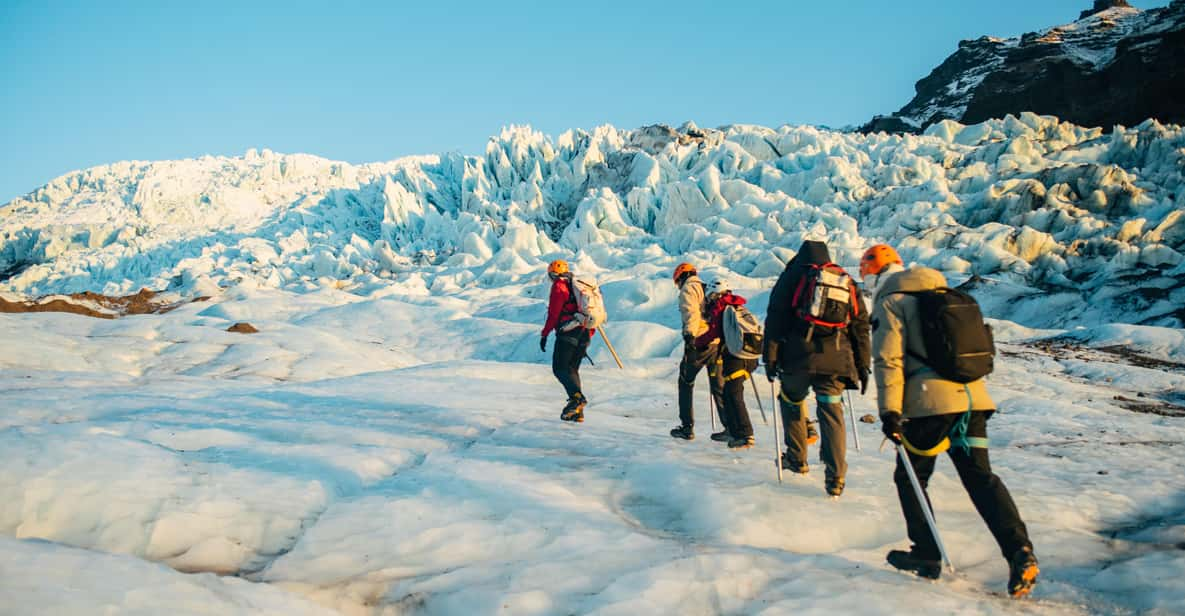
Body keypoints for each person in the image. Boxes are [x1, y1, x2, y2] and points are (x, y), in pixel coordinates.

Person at [862, 243, 1039, 598]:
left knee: (911, 477)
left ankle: (926, 555)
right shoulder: (946, 293)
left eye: (865, 276)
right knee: (981, 479)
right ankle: (1020, 552)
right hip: (973, 400)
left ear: (876, 274)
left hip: (929, 404)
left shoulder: (892, 301)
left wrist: (889, 412)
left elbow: (888, 360)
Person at [763, 239, 870, 497]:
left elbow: (776, 318)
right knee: (831, 411)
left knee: (791, 400)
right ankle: (836, 477)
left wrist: (771, 358)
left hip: (797, 357)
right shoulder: (844, 279)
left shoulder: (792, 276)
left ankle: (797, 459)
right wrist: (863, 365)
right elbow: (860, 326)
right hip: (836, 359)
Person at [697, 279, 758, 448]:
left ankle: (745, 434)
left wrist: (698, 342)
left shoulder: (721, 307)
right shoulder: (738, 306)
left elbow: (714, 332)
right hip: (750, 357)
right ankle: (733, 431)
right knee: (730, 393)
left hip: (736, 358)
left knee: (733, 395)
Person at [669, 263, 726, 440]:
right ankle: (730, 426)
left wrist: (689, 336)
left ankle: (687, 427)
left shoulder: (688, 289)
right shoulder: (704, 287)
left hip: (700, 342)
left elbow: (690, 313)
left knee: (685, 381)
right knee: (718, 386)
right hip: (715, 342)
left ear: (681, 277)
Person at [540, 259, 593, 422]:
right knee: (572, 370)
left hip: (568, 333)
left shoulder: (559, 287)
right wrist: (588, 335)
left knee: (560, 368)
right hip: (584, 333)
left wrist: (545, 334)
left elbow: (554, 314)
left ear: (553, 273)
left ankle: (577, 399)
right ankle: (577, 412)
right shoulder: (578, 286)